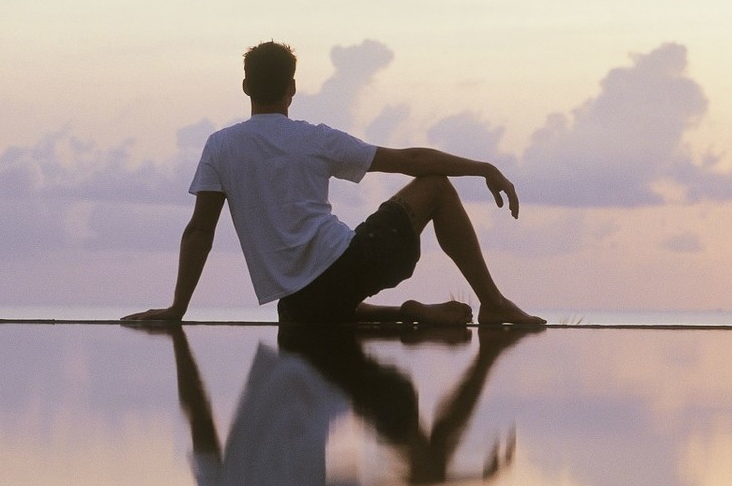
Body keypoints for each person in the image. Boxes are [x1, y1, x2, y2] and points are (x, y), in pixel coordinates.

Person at [123, 41, 544, 326]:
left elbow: (200, 231)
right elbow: (412, 161)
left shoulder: (220, 146)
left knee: (317, 300)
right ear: (291, 88)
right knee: (435, 186)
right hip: (348, 268)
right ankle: (490, 302)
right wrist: (483, 167)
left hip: (295, 304)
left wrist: (178, 309)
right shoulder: (315, 139)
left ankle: (405, 312)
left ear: (247, 86)